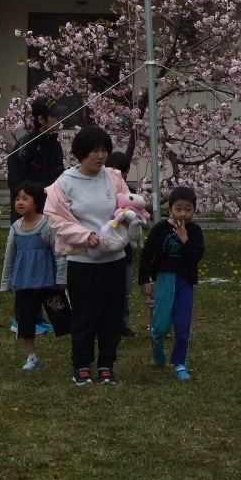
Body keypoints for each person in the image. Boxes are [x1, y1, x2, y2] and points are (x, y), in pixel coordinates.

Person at [43, 125, 132, 386]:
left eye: (104, 150)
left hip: (114, 259)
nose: (100, 156)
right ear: (81, 152)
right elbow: (55, 218)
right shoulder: (64, 183)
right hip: (82, 261)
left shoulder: (113, 177)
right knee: (85, 313)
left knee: (112, 314)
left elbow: (125, 205)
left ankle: (106, 363)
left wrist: (125, 220)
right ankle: (82, 364)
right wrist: (84, 235)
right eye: (95, 150)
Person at [0, 181, 69, 371]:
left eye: (25, 198)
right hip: (24, 284)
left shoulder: (47, 225)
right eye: (17, 199)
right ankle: (32, 356)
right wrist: (6, 283)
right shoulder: (16, 228)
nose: (20, 202)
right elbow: (10, 258)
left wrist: (62, 278)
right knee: (26, 322)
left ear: (36, 202)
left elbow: (59, 253)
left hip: (48, 284)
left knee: (63, 319)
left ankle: (78, 351)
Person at [139, 186, 205, 380]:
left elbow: (196, 256)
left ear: (194, 210)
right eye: (178, 208)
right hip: (165, 279)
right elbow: (147, 255)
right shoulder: (160, 229)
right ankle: (157, 345)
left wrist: (185, 239)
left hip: (185, 281)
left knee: (183, 325)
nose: (183, 214)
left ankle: (179, 363)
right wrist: (144, 280)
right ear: (170, 208)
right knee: (160, 325)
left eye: (188, 209)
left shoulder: (194, 231)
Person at [105, 150, 141, 336]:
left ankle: (122, 323)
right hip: (106, 245)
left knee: (124, 290)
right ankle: (107, 323)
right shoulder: (103, 192)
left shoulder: (130, 195)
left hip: (124, 249)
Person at [6, 96, 66, 196]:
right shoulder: (24, 147)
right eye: (54, 115)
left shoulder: (55, 145)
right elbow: (17, 186)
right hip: (32, 209)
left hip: (53, 208)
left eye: (59, 115)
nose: (59, 119)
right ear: (41, 119)